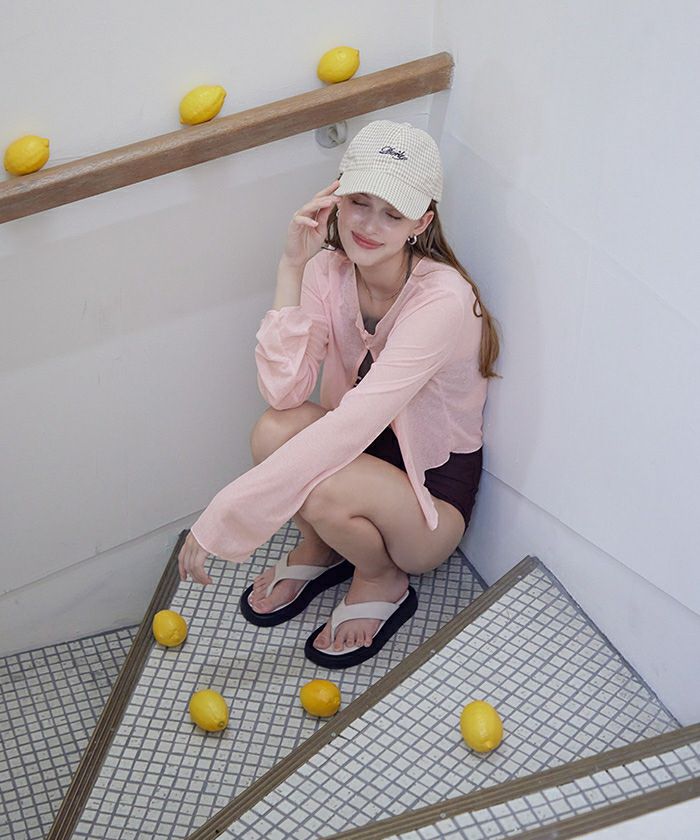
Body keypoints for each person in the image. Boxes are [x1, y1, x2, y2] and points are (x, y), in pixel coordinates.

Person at [178, 119, 500, 668]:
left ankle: (380, 577)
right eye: (359, 202)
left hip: (429, 498)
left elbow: (354, 423)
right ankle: (323, 546)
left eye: (392, 213)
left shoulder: (442, 300)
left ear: (421, 223)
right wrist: (292, 264)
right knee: (272, 431)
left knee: (323, 487)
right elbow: (284, 391)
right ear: (336, 197)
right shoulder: (328, 270)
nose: (369, 226)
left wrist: (225, 513)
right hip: (360, 456)